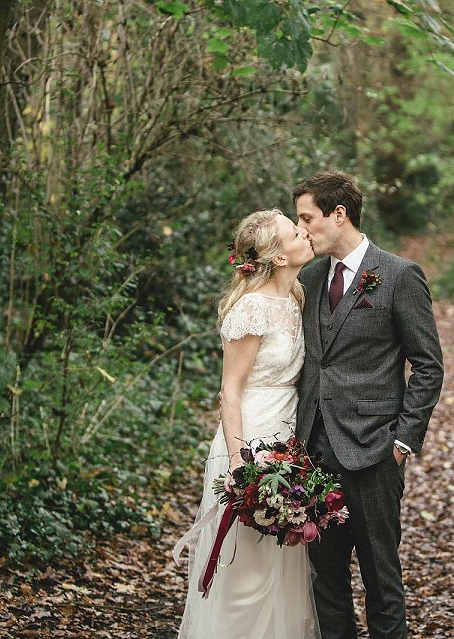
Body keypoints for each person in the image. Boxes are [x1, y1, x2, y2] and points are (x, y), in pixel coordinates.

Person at [292, 171, 444, 639]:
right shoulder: (310, 277)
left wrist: (402, 440)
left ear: (339, 214)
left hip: (375, 452)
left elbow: (428, 365)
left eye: (307, 218)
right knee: (327, 581)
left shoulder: (399, 275)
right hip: (314, 453)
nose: (301, 231)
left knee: (382, 580)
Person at [174, 209, 320, 639]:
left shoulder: (296, 295)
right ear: (277, 257)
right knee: (247, 570)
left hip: (288, 437)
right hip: (249, 441)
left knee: (282, 563)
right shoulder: (252, 307)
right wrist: (241, 461)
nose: (306, 232)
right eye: (296, 231)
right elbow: (230, 392)